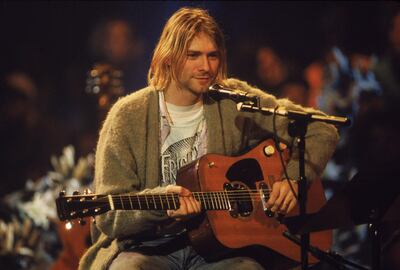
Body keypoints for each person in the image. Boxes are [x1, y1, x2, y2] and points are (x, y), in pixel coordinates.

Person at [79, 7, 339, 270]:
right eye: (194, 55)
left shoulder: (232, 100)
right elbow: (108, 215)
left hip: (220, 252)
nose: (206, 67)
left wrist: (294, 179)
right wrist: (161, 206)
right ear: (169, 57)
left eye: (213, 56)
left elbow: (321, 129)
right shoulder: (127, 116)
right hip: (147, 249)